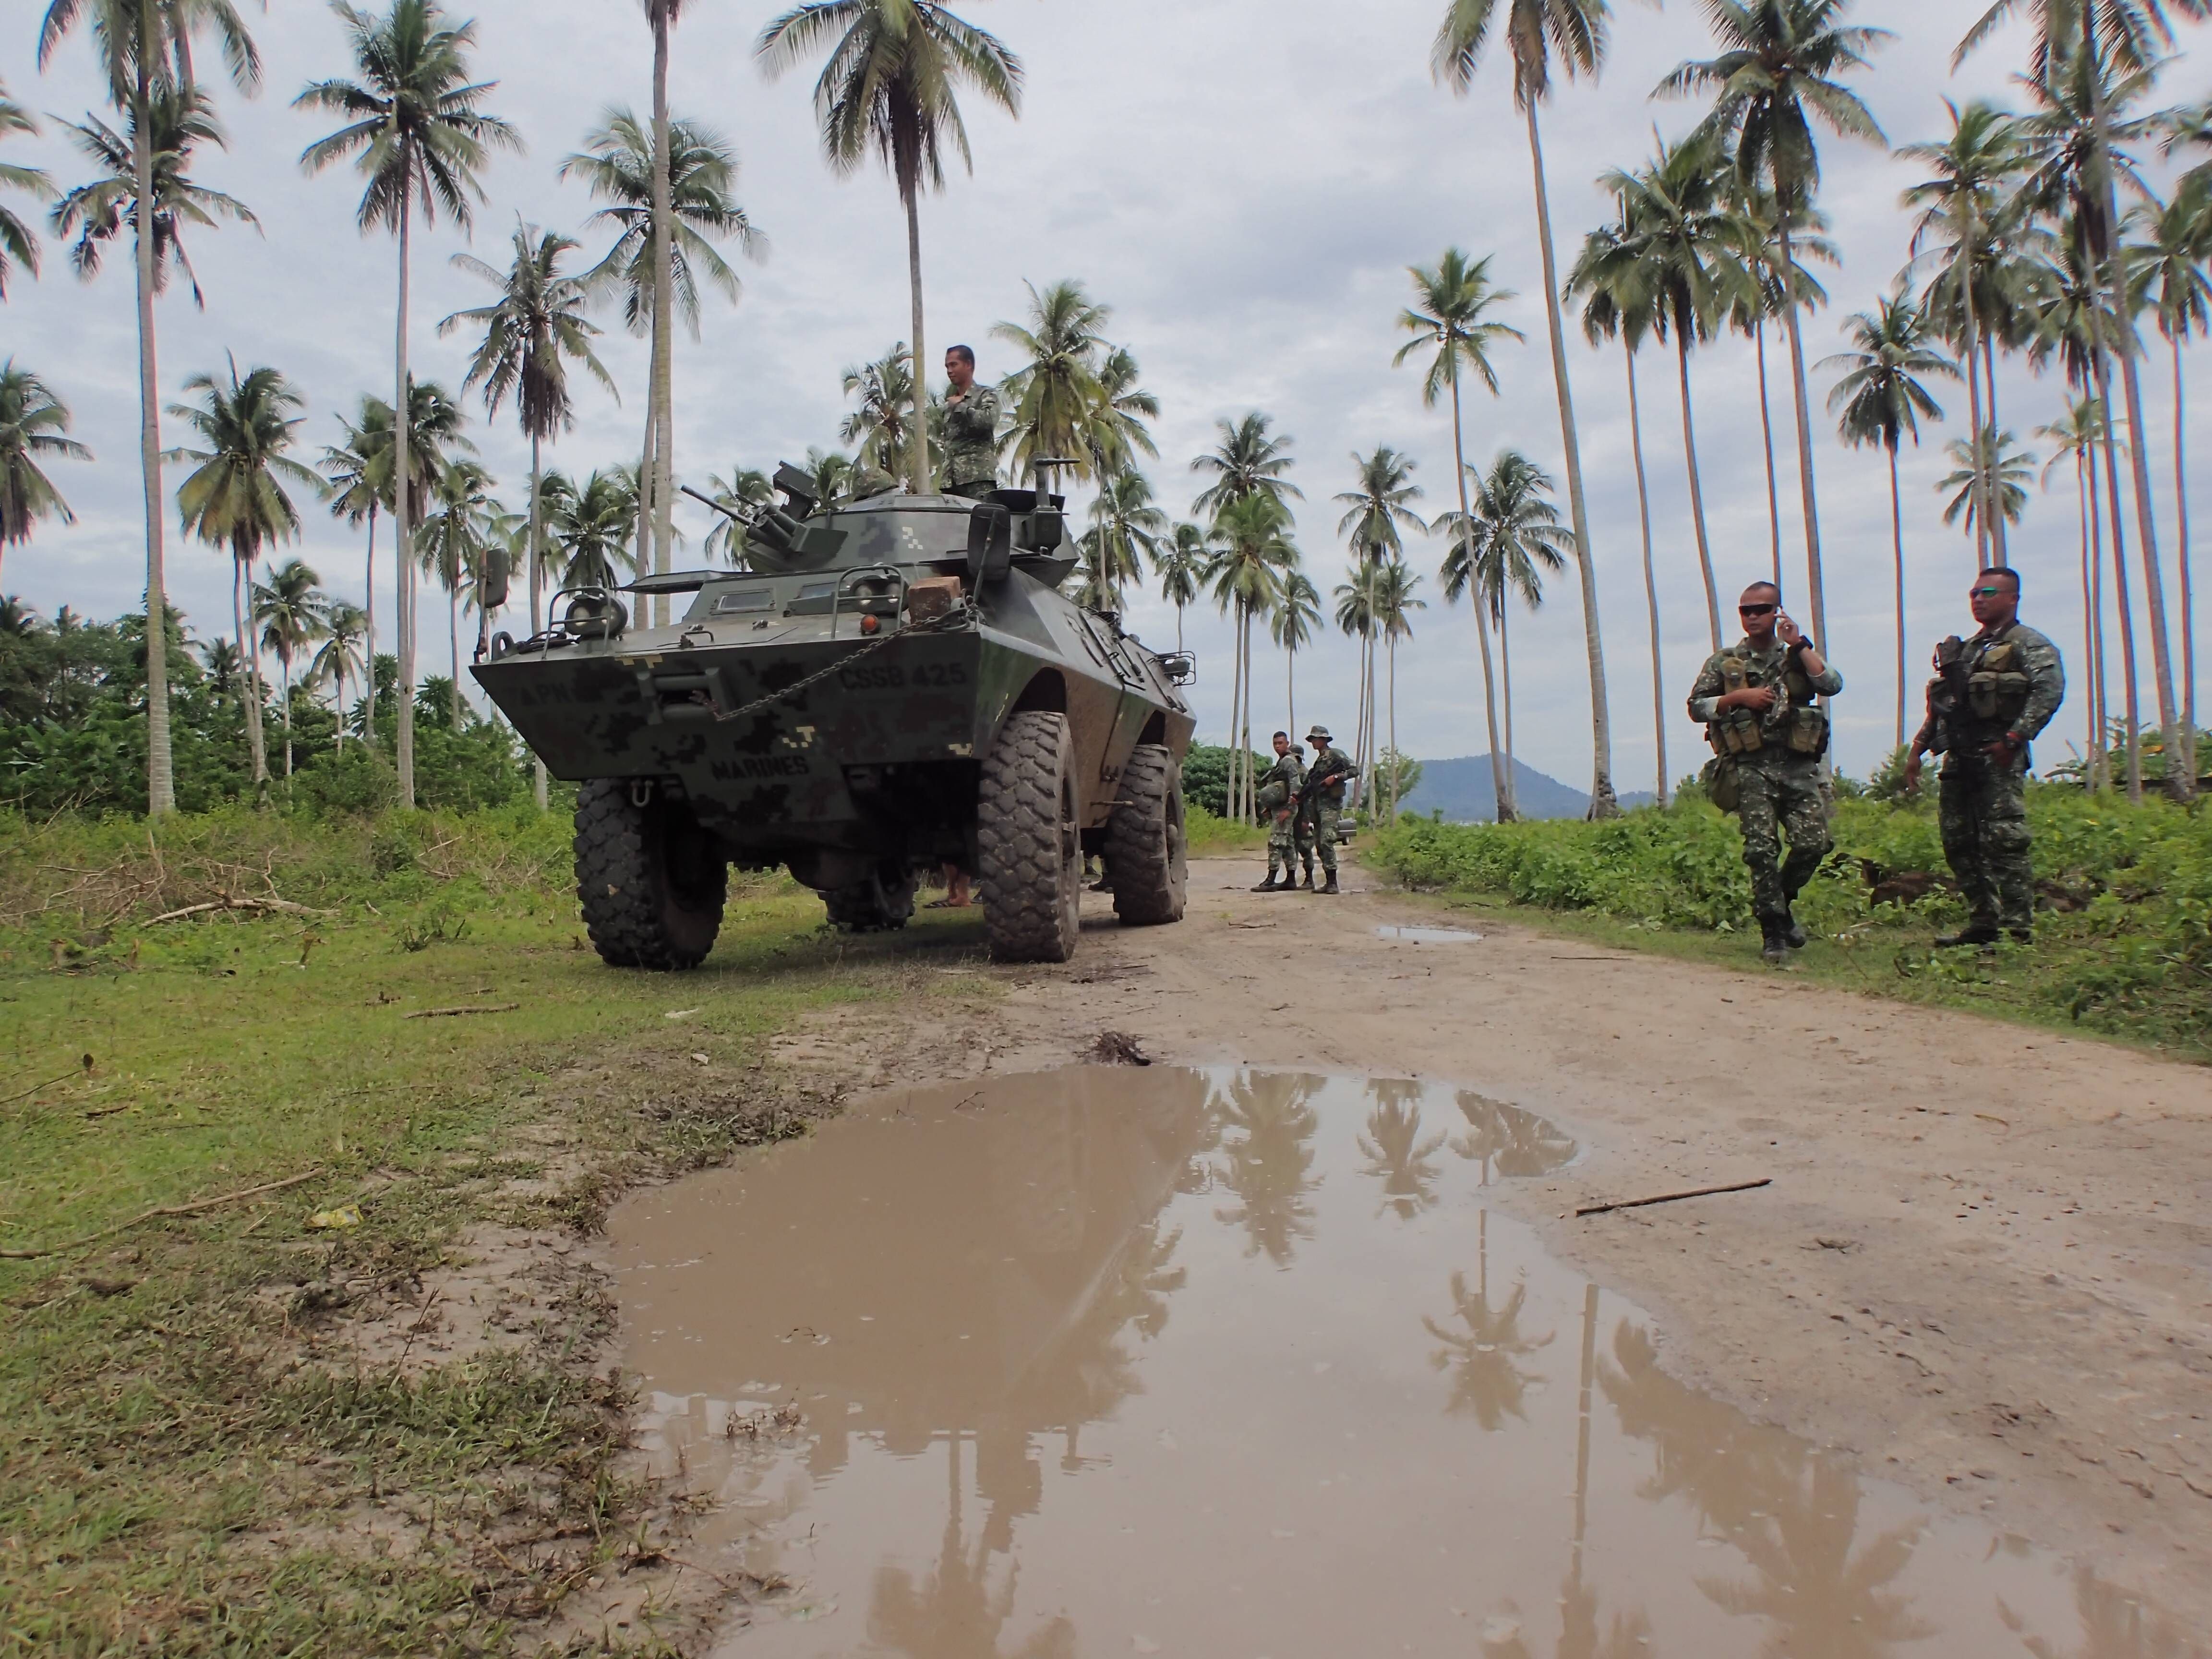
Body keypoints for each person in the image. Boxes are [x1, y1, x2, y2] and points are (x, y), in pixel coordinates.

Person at [1902, 567, 2066, 947]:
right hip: (1960, 758)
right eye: (1974, 593)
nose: (1978, 599)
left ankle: (2016, 929)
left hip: (1998, 755)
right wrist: (1917, 749)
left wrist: (2014, 739)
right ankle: (1983, 922)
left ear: (2012, 598)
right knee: (1959, 843)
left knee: (2004, 841)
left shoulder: (2029, 643)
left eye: (1988, 592)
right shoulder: (1970, 649)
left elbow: (2050, 690)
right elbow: (1945, 707)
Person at [1687, 582, 1844, 964]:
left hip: (1798, 767)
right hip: (1751, 768)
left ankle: (1783, 901)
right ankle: (1773, 930)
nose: (1753, 617)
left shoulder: (1795, 656)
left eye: (1762, 609)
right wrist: (1738, 698)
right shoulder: (1726, 662)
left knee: (1814, 844)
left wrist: (1800, 643)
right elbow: (1696, 707)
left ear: (1777, 611)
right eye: (1746, 611)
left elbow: (1832, 684)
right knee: (1761, 850)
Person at [1297, 726, 1355, 895]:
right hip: (1318, 806)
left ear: (1324, 740)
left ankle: (1333, 883)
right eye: (1312, 739)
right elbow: (1309, 786)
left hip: (1331, 805)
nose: (1314, 742)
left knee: (1327, 840)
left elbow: (1354, 770)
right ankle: (1329, 881)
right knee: (1319, 844)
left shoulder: (1336, 755)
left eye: (1316, 739)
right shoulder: (1318, 763)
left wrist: (1336, 777)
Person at [940, 346, 1000, 501]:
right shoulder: (948, 406)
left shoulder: (985, 395)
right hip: (951, 482)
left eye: (954, 365)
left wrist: (960, 407)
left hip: (977, 479)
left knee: (981, 524)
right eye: (947, 366)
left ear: (968, 365)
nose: (949, 370)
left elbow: (987, 421)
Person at [1251, 732, 1307, 891]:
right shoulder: (1282, 761)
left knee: (1276, 842)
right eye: (1275, 743)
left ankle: (1271, 879)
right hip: (1280, 806)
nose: (1277, 746)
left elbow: (1296, 785)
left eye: (1280, 743)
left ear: (1287, 743)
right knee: (1288, 843)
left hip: (1286, 808)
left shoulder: (1289, 761)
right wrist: (1269, 807)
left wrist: (1289, 809)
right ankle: (1290, 879)